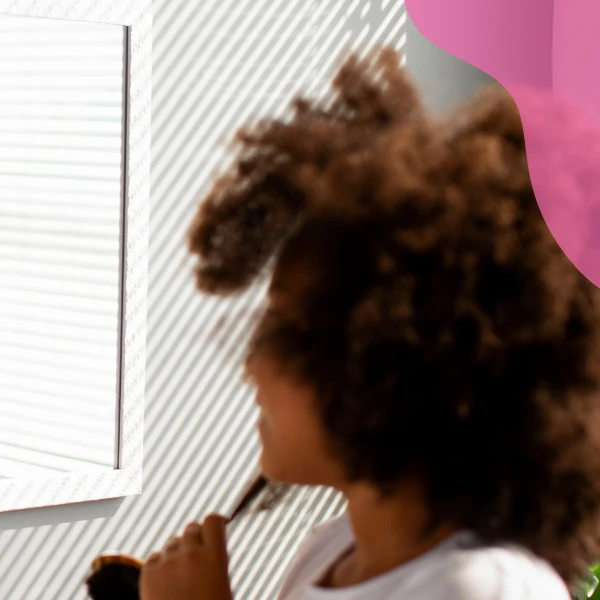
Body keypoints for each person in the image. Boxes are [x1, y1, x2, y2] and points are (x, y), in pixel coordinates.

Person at [140, 48, 600, 599]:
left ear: (400, 367)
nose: (251, 365)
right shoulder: (332, 550)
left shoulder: (483, 588)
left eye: (290, 331)